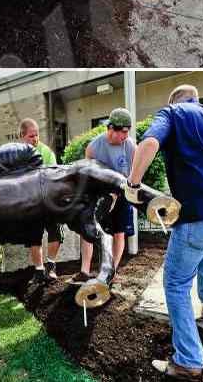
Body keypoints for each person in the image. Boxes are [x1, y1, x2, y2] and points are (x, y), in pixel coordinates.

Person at [126, 84, 203, 379]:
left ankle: (187, 360)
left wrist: (132, 185)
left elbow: (148, 144)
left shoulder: (172, 112)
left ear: (175, 101)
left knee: (175, 283)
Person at [73, 108, 136, 285]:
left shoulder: (130, 146)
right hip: (99, 194)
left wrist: (119, 192)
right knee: (87, 230)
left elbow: (134, 174)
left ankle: (111, 272)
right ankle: (84, 271)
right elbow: (89, 175)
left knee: (119, 232)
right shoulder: (93, 147)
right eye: (123, 132)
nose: (125, 136)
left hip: (122, 194)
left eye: (127, 132)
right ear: (111, 128)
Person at [18, 118, 62, 283]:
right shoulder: (17, 154)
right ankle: (38, 271)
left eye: (36, 135)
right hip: (30, 203)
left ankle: (51, 266)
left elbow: (54, 176)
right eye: (31, 136)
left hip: (48, 201)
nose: (35, 139)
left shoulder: (46, 152)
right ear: (22, 136)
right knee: (33, 237)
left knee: (56, 232)